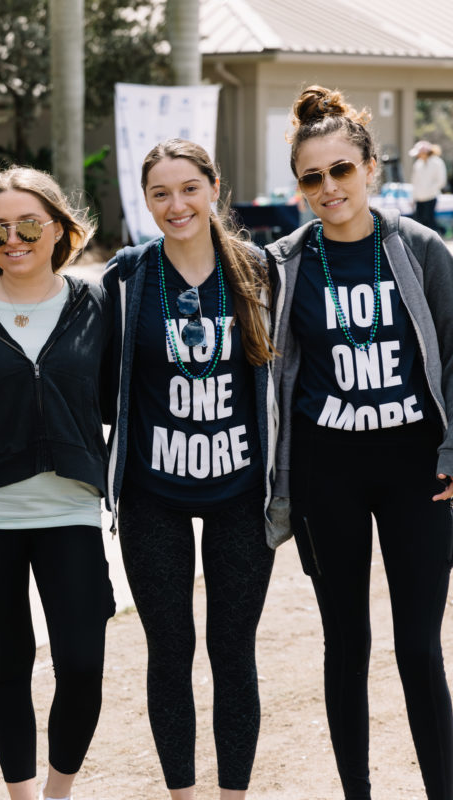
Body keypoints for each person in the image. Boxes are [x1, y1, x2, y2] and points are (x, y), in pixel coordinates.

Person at [266, 85, 453, 800]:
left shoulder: (422, 249)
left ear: (371, 167)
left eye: (341, 170)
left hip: (415, 471)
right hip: (327, 473)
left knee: (419, 647)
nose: (329, 188)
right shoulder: (284, 263)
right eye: (312, 177)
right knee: (347, 646)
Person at [102, 139, 277, 800]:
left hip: (241, 493)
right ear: (145, 201)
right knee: (169, 655)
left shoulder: (260, 271)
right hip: (154, 496)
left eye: (188, 189)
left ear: (214, 188)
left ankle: (232, 794)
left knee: (233, 653)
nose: (176, 205)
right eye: (159, 194)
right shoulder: (127, 277)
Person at [0, 166, 113, 800]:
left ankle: (58, 793)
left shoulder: (97, 306)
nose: (15, 238)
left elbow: (119, 398)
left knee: (83, 668)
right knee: (8, 668)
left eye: (30, 224)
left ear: (60, 229)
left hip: (71, 514)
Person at [410, 139, 447, 234]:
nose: (418, 155)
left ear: (424, 152)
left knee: (430, 221)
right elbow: (415, 182)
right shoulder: (418, 164)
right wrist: (413, 197)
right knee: (419, 222)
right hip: (419, 198)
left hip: (431, 197)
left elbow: (441, 180)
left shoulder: (437, 163)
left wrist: (429, 190)